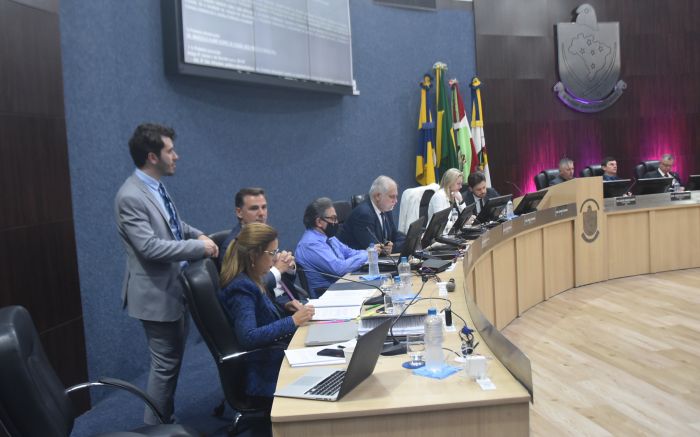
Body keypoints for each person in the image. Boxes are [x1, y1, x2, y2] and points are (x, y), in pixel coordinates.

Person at [114, 123, 219, 424]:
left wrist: (199, 235)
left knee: (170, 364)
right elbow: (150, 248)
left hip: (174, 289)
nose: (177, 156)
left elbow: (176, 226)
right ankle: (154, 429)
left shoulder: (155, 186)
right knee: (164, 368)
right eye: (170, 151)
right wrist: (198, 248)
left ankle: (164, 421)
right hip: (155, 296)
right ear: (152, 157)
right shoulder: (130, 197)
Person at [218, 223, 314, 405]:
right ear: (254, 255)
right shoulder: (241, 287)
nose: (274, 260)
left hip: (275, 355)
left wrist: (285, 308)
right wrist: (292, 321)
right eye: (271, 253)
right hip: (266, 371)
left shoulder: (251, 277)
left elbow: (260, 312)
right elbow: (248, 336)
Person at [219, 187, 304, 314]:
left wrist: (288, 268)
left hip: (290, 304)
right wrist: (277, 270)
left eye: (264, 207)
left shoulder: (266, 235)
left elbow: (279, 283)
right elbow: (248, 287)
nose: (261, 213)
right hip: (271, 313)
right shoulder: (233, 245)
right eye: (254, 208)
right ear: (239, 212)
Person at [296, 198, 370, 297]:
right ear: (319, 222)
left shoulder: (329, 237)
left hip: (342, 287)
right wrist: (368, 254)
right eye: (333, 218)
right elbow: (339, 269)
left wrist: (368, 253)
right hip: (327, 295)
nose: (336, 222)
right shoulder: (310, 245)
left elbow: (349, 252)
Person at [338, 175, 406, 254]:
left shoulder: (386, 210)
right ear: (377, 196)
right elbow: (375, 248)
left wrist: (394, 247)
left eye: (396, 196)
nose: (396, 201)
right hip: (358, 262)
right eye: (392, 197)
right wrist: (390, 248)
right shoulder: (363, 215)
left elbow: (395, 235)